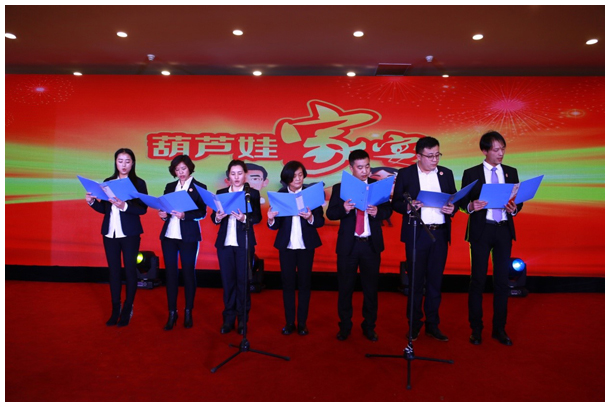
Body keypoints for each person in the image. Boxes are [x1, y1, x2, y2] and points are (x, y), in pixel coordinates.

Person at [460, 131, 523, 346]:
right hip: (482, 231)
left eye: (503, 149)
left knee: (502, 282)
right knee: (477, 280)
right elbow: (462, 202)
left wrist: (515, 208)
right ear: (484, 151)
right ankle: (476, 329)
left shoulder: (511, 172)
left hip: (503, 230)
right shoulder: (471, 173)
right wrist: (471, 206)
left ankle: (499, 329)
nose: (500, 153)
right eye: (496, 150)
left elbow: (518, 200)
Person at [392, 137, 457, 342]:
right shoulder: (406, 174)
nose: (435, 159)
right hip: (417, 233)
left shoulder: (446, 173)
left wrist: (452, 208)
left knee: (435, 282)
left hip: (439, 233)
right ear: (418, 156)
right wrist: (409, 206)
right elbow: (396, 203)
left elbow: (454, 198)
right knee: (415, 282)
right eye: (430, 156)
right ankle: (414, 325)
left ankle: (432, 325)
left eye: (437, 155)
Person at [326, 149, 392, 342]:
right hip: (349, 245)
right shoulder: (340, 188)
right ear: (351, 168)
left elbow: (387, 210)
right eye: (360, 167)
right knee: (345, 288)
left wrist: (378, 212)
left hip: (370, 245)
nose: (365, 171)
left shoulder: (377, 186)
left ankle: (369, 326)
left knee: (370, 289)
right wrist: (344, 209)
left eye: (367, 166)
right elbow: (331, 214)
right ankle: (345, 326)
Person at [85, 148, 148, 327]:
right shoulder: (108, 182)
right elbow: (105, 209)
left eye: (127, 161)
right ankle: (115, 309)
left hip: (130, 234)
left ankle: (128, 309)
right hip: (110, 233)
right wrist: (92, 202)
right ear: (115, 162)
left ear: (133, 163)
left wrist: (124, 206)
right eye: (120, 161)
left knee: (130, 271)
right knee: (113, 271)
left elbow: (142, 209)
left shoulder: (138, 183)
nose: (124, 165)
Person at [267, 161, 325, 336]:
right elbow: (275, 225)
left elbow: (320, 221)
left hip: (306, 245)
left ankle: (302, 323)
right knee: (288, 284)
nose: (298, 179)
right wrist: (271, 218)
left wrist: (310, 217)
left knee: (305, 283)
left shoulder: (311, 194)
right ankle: (289, 322)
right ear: (287, 178)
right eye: (294, 176)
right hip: (287, 246)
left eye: (300, 175)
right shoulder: (280, 194)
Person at [212, 160, 262, 335]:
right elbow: (213, 217)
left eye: (240, 173)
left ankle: (242, 319)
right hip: (225, 243)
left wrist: (244, 218)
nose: (236, 177)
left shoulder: (251, 193)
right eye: (233, 174)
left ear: (245, 175)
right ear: (228, 176)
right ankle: (228, 319)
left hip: (244, 243)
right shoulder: (221, 193)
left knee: (243, 282)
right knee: (228, 282)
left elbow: (258, 217)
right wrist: (218, 217)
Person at [158, 155, 207, 330]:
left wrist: (185, 215)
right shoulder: (170, 187)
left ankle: (188, 311)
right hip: (169, 236)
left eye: (183, 169)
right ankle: (172, 312)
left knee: (188, 273)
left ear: (190, 168)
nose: (181, 172)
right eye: (177, 170)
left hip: (189, 236)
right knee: (170, 274)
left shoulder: (199, 187)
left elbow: (202, 212)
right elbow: (164, 207)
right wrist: (163, 214)